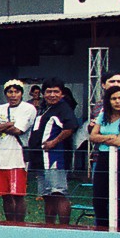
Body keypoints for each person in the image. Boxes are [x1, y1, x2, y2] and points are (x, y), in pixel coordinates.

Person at [0, 79, 37, 224]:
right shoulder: (0, 108)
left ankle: (19, 224)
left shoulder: (28, 108)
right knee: (5, 194)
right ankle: (9, 223)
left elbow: (19, 130)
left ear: (21, 93)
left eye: (16, 92)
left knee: (18, 194)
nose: (13, 95)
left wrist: (1, 126)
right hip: (1, 157)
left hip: (17, 157)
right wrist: (8, 124)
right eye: (10, 92)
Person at [88, 84, 120, 231]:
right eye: (114, 98)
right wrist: (109, 136)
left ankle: (119, 230)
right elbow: (92, 136)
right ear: (108, 101)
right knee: (99, 198)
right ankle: (102, 229)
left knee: (119, 198)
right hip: (103, 157)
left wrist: (103, 138)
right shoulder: (103, 116)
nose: (117, 101)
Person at [34, 78, 78, 227]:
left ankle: (64, 227)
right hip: (41, 159)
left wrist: (54, 142)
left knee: (58, 193)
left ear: (62, 93)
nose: (52, 95)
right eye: (48, 91)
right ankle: (50, 227)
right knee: (47, 195)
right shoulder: (44, 108)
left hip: (55, 158)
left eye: (56, 91)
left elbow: (70, 127)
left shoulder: (64, 108)